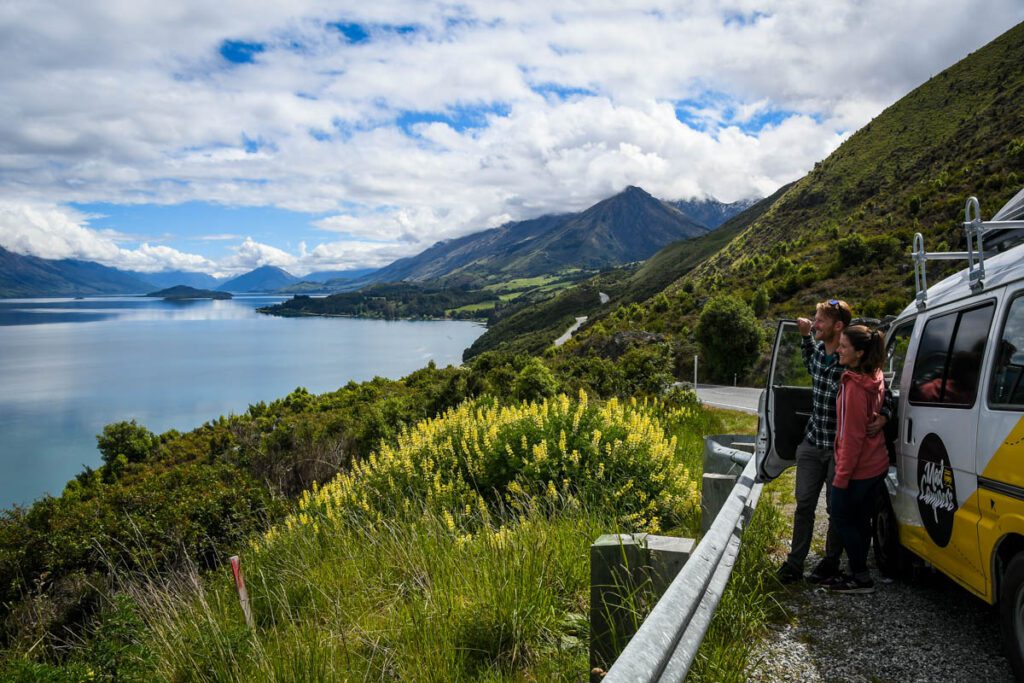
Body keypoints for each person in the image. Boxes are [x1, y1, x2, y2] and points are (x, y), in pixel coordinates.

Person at [776, 299, 851, 585]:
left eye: (820, 320)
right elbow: (808, 360)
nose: (815, 323)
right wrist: (807, 336)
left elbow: (879, 387)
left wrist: (884, 415)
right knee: (804, 505)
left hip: (838, 449)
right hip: (811, 442)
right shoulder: (819, 352)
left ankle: (830, 563)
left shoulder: (852, 360)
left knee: (836, 509)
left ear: (838, 326)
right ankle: (795, 564)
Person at [828, 325, 889, 594]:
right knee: (863, 520)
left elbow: (851, 438)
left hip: (859, 468)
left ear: (859, 352)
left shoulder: (854, 387)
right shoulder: (875, 375)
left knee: (841, 517)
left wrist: (841, 478)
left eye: (843, 346)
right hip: (877, 464)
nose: (838, 350)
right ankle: (858, 571)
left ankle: (861, 576)